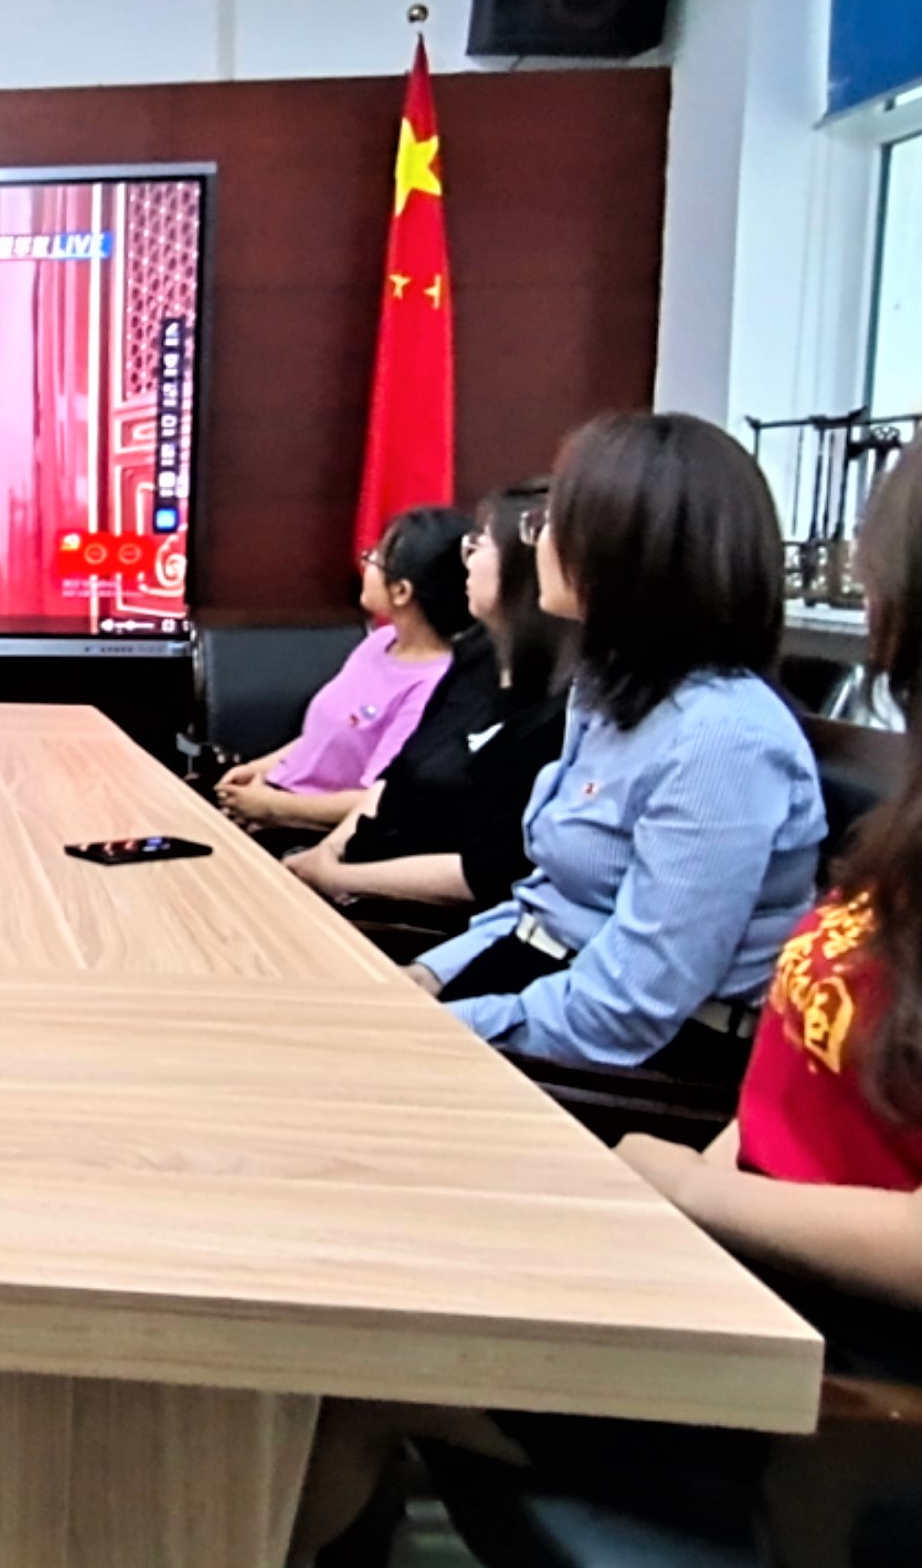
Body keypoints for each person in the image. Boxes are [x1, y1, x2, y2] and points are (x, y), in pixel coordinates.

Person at [301, 372, 922, 1568]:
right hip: (800, 1298)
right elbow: (798, 1075)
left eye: (901, 549)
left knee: (346, 1349)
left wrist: (671, 1185)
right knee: (337, 1313)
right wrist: (685, 1200)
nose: (871, 577)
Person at [408, 414, 824, 1081]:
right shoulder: (609, 690)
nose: (538, 543)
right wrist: (429, 974)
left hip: (630, 1064)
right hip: (535, 988)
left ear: (632, 550)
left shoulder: (722, 739)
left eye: (553, 522)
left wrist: (444, 1028)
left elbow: (629, 1009)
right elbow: (543, 901)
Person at [286, 480, 570, 910]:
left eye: (481, 544)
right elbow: (396, 776)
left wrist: (337, 876)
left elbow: (487, 871)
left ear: (523, 569)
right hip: (353, 872)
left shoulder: (560, 707)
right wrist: (327, 853)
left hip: (414, 914)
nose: (467, 559)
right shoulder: (476, 652)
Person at [215, 505, 473, 835]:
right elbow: (323, 736)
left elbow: (376, 799)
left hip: (316, 831)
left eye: (376, 559)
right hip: (275, 801)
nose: (365, 564)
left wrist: (272, 807)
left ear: (401, 591)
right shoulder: (380, 641)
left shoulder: (432, 684)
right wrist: (261, 770)